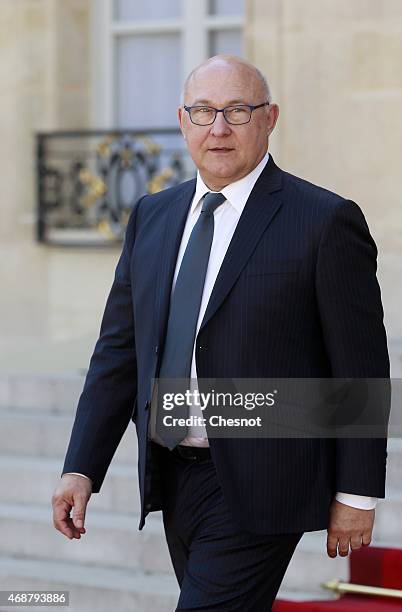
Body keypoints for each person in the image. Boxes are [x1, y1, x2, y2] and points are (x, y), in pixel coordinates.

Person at [52, 55, 389, 611]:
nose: (219, 128)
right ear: (183, 121)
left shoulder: (324, 220)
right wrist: (82, 465)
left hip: (264, 478)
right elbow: (117, 352)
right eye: (204, 111)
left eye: (238, 110)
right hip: (173, 473)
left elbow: (360, 367)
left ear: (269, 118)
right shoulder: (152, 216)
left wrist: (356, 496)